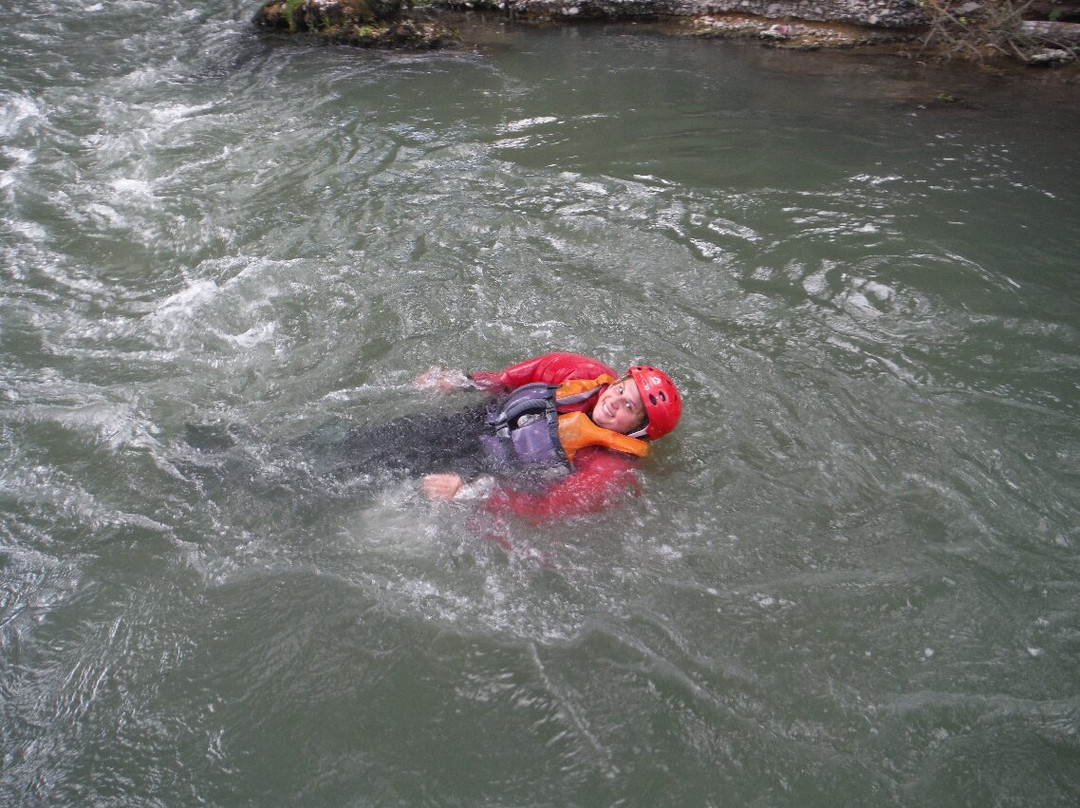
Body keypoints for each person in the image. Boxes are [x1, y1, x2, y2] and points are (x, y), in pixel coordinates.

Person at [397, 352, 681, 520]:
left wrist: (468, 492)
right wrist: (465, 382)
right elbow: (516, 377)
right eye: (620, 390)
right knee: (389, 438)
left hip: (488, 470)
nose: (613, 402)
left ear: (639, 431)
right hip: (482, 421)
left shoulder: (607, 469)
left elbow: (544, 510)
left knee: (391, 483)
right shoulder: (585, 373)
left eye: (628, 407)